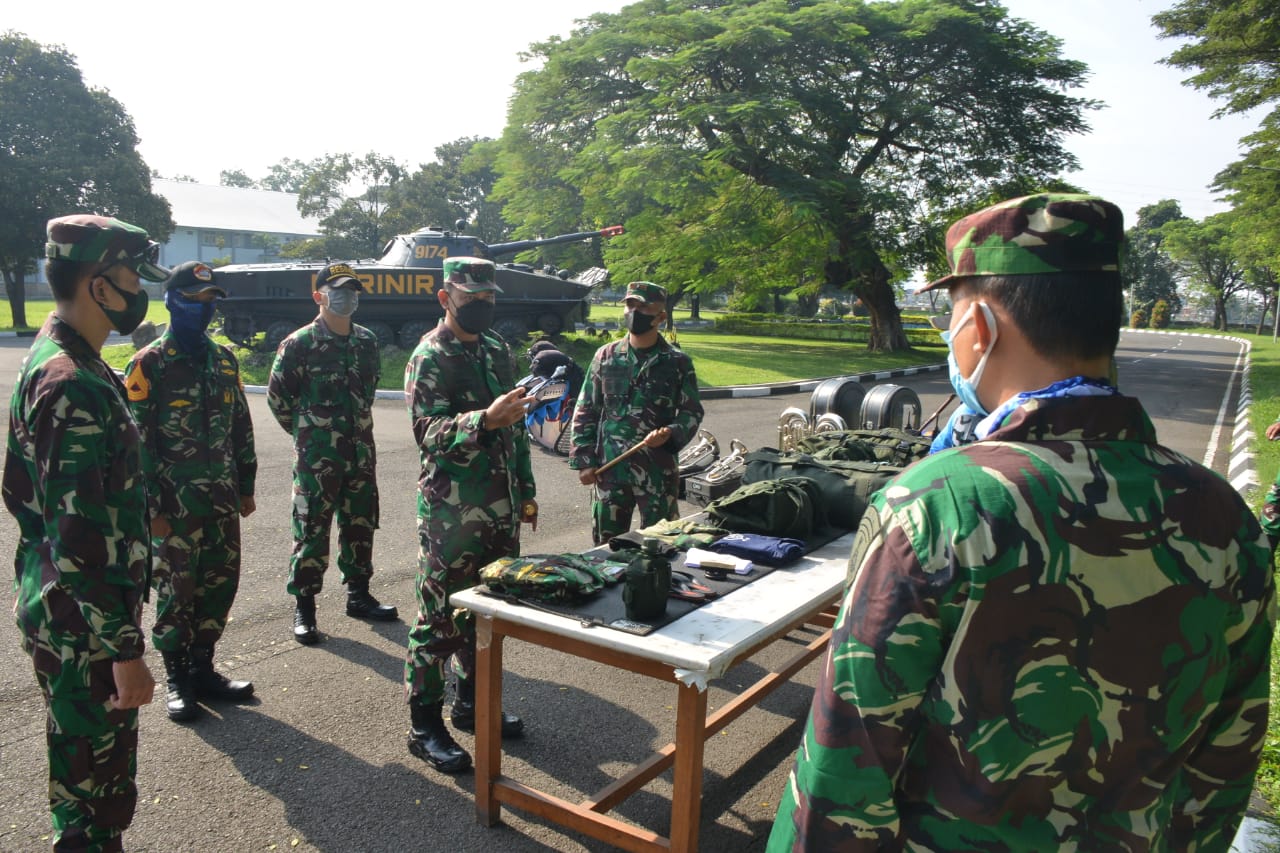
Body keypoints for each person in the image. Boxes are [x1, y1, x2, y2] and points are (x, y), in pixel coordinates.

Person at [768, 194, 1275, 852]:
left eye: (950, 314)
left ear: (978, 324)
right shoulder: (1226, 520)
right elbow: (1224, 769)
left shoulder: (932, 507)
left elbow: (843, 781)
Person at [3, 214, 162, 851]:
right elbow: (76, 539)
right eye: (131, 279)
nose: (139, 292)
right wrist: (125, 651)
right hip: (85, 628)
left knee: (85, 779)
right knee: (93, 793)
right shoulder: (69, 382)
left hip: (72, 614)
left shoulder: (68, 361)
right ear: (99, 285)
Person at [403, 256, 537, 774]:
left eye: (488, 299)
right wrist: (484, 418)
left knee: (486, 614)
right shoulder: (429, 356)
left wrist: (524, 491)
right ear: (445, 298)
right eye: (470, 298)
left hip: (499, 507)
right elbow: (426, 433)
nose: (480, 306)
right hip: (451, 514)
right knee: (438, 621)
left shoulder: (498, 349)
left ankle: (473, 704)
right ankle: (424, 725)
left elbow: (516, 429)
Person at [123, 261, 257, 722]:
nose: (204, 307)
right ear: (171, 300)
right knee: (176, 591)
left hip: (220, 497)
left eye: (210, 300)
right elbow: (137, 443)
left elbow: (240, 424)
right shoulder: (149, 364)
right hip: (174, 506)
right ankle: (177, 677)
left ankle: (204, 668)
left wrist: (247, 483)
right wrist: (151, 508)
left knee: (220, 584)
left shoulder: (224, 359)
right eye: (195, 299)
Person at [267, 262, 397, 645]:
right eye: (339, 290)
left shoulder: (367, 342)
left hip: (360, 454)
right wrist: (309, 433)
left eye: (353, 290)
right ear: (318, 296)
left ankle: (359, 595)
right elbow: (278, 399)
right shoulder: (299, 344)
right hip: (316, 459)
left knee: (360, 525)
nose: (347, 296)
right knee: (310, 530)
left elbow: (368, 392)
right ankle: (305, 608)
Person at [569, 281, 704, 544]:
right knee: (607, 548)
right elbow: (586, 408)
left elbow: (692, 411)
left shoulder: (677, 362)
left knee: (660, 544)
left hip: (658, 470)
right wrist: (584, 460)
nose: (635, 311)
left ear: (661, 317)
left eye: (643, 307)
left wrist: (672, 433)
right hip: (611, 468)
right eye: (631, 305)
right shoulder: (605, 356)